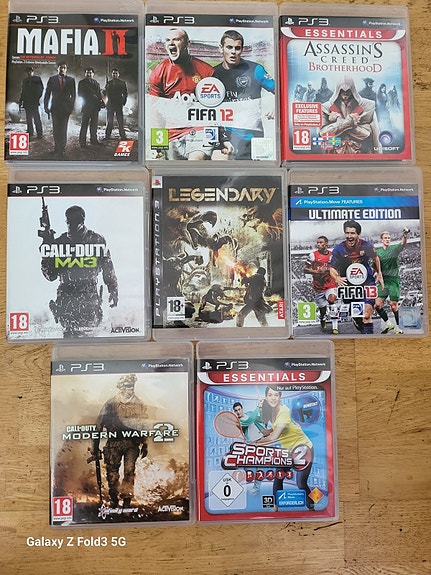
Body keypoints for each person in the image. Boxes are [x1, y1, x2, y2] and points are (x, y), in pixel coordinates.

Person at [148, 28, 227, 160]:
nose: (171, 43)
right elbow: (155, 112)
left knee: (195, 162)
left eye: (176, 39)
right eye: (168, 40)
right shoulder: (159, 72)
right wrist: (157, 144)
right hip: (172, 132)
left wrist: (222, 138)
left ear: (187, 44)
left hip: (200, 130)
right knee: (174, 171)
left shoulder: (206, 71)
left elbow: (217, 108)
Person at [40, 204, 118, 337]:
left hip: (89, 301)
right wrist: (46, 248)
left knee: (90, 339)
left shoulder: (96, 240)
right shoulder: (60, 243)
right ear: (66, 221)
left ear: (82, 221)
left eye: (74, 222)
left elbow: (108, 268)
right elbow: (50, 275)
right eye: (69, 222)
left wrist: (113, 290)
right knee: (70, 341)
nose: (71, 226)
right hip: (67, 303)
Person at [212, 29, 275, 160]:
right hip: (225, 136)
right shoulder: (212, 74)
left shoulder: (255, 70)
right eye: (229, 47)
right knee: (218, 162)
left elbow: (281, 90)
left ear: (242, 50)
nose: (233, 52)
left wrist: (276, 107)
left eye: (237, 48)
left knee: (256, 171)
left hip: (252, 136)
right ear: (221, 48)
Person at [91, 374, 148, 509]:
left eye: (132, 385)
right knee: (112, 473)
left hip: (131, 443)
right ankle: (114, 500)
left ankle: (127, 501)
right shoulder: (111, 404)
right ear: (121, 387)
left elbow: (144, 425)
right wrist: (95, 447)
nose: (130, 389)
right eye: (128, 386)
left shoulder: (139, 404)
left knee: (129, 471)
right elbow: (98, 425)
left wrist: (145, 444)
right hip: (114, 443)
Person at [253, 386, 315, 510]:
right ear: (266, 397)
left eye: (276, 395)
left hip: (304, 449)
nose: (273, 398)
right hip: (289, 452)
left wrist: (256, 443)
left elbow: (273, 437)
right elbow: (272, 430)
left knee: (301, 483)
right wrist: (262, 434)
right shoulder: (272, 412)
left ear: (280, 397)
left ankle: (314, 504)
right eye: (270, 395)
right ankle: (275, 507)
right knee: (279, 476)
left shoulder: (284, 411)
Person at [329, 220, 383, 335]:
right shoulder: (339, 249)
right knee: (358, 318)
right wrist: (337, 277)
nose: (349, 236)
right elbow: (332, 268)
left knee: (366, 315)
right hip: (349, 287)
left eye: (352, 233)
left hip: (366, 283)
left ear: (358, 234)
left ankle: (368, 341)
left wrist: (379, 273)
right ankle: (358, 322)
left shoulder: (367, 246)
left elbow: (376, 258)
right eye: (347, 233)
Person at [319, 76, 381, 154]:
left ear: (352, 90)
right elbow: (323, 135)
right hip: (335, 153)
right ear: (338, 91)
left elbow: (371, 134)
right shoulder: (326, 107)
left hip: (360, 153)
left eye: (348, 91)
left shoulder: (367, 106)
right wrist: (347, 122)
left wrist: (378, 155)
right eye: (342, 91)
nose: (345, 94)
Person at [375, 229, 409, 334]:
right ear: (381, 240)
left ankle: (398, 327)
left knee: (393, 305)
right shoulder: (378, 252)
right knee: (377, 305)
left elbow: (403, 243)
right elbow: (374, 266)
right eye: (385, 238)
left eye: (389, 238)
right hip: (383, 281)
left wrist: (405, 234)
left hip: (393, 280)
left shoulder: (394, 249)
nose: (387, 239)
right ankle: (388, 324)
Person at [303, 236, 339, 334]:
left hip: (330, 284)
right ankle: (322, 318)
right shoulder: (313, 255)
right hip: (318, 287)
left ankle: (335, 327)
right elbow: (305, 269)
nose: (318, 244)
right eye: (317, 243)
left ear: (326, 244)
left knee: (332, 300)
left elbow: (335, 268)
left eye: (320, 242)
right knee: (322, 308)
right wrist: (316, 271)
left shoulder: (332, 255)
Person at [44, 61, 76, 158]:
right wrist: (46, 107)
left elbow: (73, 95)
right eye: (60, 67)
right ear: (57, 68)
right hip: (55, 108)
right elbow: (47, 94)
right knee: (56, 129)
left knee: (63, 129)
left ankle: (62, 149)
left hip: (65, 109)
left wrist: (71, 107)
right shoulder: (52, 79)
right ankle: (57, 148)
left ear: (66, 69)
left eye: (64, 68)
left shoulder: (71, 80)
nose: (62, 69)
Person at [78, 67, 104, 147]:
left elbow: (99, 94)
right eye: (87, 73)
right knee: (84, 125)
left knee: (94, 125)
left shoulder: (96, 83)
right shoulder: (82, 83)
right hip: (87, 106)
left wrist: (101, 101)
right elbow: (80, 93)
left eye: (90, 73)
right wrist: (91, 96)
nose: (88, 74)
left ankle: (94, 140)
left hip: (95, 107)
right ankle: (82, 142)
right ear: (85, 74)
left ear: (93, 74)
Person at [19, 66, 43, 139]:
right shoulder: (25, 81)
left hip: (34, 102)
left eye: (30, 71)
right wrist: (21, 101)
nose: (29, 73)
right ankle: (30, 132)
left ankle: (39, 133)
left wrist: (37, 98)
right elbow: (23, 92)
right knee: (28, 118)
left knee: (36, 118)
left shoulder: (37, 79)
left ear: (33, 72)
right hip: (27, 102)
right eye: (27, 72)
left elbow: (41, 89)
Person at [104, 68, 128, 140]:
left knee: (120, 121)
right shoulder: (109, 83)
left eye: (116, 73)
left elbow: (125, 94)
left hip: (118, 104)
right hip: (110, 104)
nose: (115, 75)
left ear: (118, 74)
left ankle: (123, 136)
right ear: (112, 74)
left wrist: (123, 102)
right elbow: (105, 93)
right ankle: (107, 136)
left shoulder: (122, 83)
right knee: (109, 121)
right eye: (113, 73)